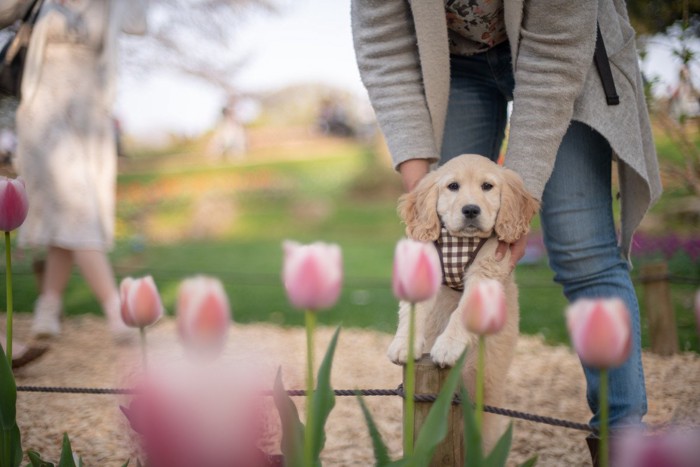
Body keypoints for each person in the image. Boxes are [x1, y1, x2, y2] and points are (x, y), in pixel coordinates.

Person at [351, 0, 662, 460]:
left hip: (565, 59)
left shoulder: (559, 53)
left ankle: (621, 442)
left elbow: (555, 54)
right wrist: (426, 191)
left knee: (584, 251)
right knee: (439, 249)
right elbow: (383, 44)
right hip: (452, 63)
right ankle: (448, 432)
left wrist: (518, 196)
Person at [12, 0, 148, 341]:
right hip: (43, 112)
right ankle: (114, 307)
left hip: (89, 115)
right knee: (77, 203)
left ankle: (48, 305)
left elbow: (139, 24)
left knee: (69, 211)